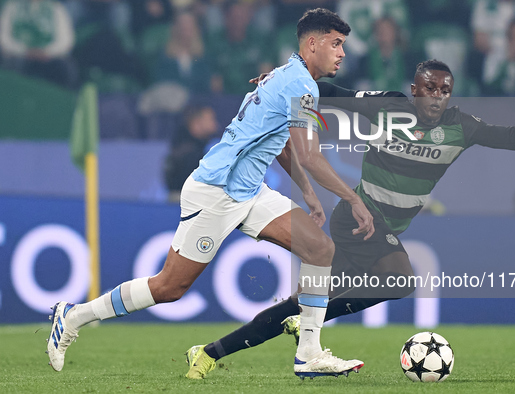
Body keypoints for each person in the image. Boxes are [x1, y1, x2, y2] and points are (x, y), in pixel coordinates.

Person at [46, 8, 375, 380]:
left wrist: (306, 193)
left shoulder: (283, 77)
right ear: (312, 43)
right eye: (336, 43)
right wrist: (353, 199)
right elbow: (310, 155)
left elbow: (282, 146)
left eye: (343, 45)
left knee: (320, 249)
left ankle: (309, 354)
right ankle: (73, 316)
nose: (342, 52)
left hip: (249, 190)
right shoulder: (299, 85)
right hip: (216, 191)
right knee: (169, 287)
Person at [186, 59, 515, 379]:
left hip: (381, 229)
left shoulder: (463, 126)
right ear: (414, 89)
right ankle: (309, 318)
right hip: (357, 217)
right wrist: (279, 81)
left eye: (445, 90)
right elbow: (332, 91)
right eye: (429, 88)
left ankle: (208, 353)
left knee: (298, 305)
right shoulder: (387, 107)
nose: (437, 96)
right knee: (399, 278)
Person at [163, 105, 219, 202]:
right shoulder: (185, 150)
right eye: (211, 119)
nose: (215, 124)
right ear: (197, 122)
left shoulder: (205, 145)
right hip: (183, 202)